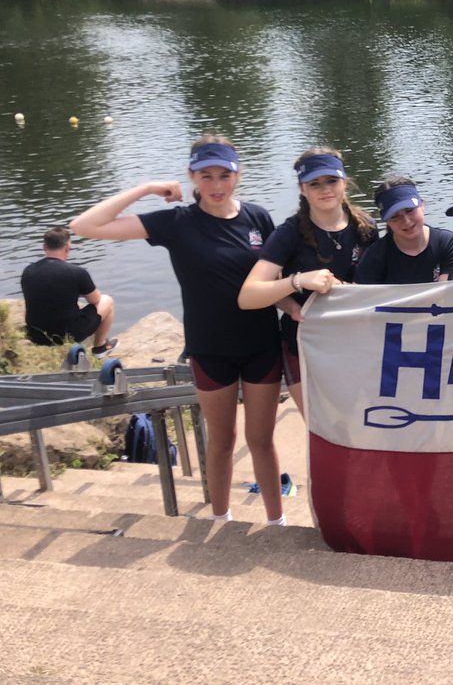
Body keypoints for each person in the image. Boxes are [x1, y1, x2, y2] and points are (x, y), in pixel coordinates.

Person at [70, 136, 286, 525]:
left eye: (224, 175)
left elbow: (278, 280)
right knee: (221, 443)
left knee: (262, 441)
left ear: (238, 176)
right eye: (206, 176)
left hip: (262, 345)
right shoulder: (176, 222)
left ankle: (276, 522)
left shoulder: (258, 218)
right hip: (210, 348)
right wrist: (146, 188)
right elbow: (84, 226)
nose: (216, 185)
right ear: (191, 177)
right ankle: (221, 518)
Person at [238, 148, 379, 418]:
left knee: (359, 425)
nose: (325, 189)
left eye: (331, 181)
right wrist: (298, 282)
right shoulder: (288, 233)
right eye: (315, 183)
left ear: (344, 182)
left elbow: (377, 287)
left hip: (354, 343)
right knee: (321, 431)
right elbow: (248, 296)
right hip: (303, 346)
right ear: (303, 189)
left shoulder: (367, 228)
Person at [20, 226, 118, 356]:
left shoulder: (28, 271)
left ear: (44, 247)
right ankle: (100, 348)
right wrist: (79, 290)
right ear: (67, 248)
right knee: (107, 301)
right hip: (66, 335)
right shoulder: (76, 273)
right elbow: (96, 299)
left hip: (36, 335)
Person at [354, 177, 453, 284]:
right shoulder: (374, 256)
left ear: (422, 205)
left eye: (410, 210)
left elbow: (446, 291)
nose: (406, 221)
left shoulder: (446, 242)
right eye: (395, 216)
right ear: (387, 221)